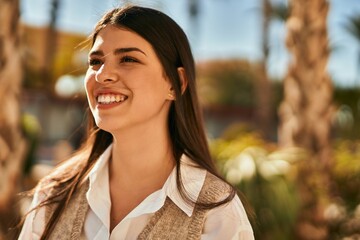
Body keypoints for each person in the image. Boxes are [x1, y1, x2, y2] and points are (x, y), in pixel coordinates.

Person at [19, 5, 254, 239]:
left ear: (175, 83)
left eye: (128, 59)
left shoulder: (217, 213)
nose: (102, 74)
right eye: (95, 61)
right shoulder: (54, 193)